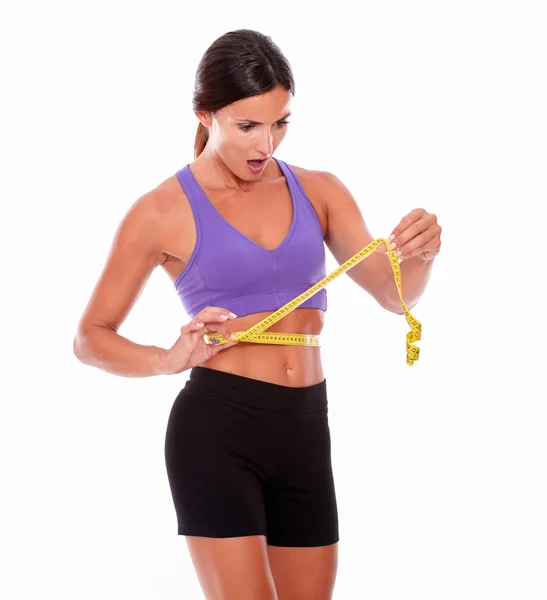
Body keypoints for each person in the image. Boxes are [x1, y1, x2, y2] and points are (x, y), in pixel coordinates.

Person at [73, 28, 441, 600]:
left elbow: (397, 297)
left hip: (305, 429)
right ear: (205, 114)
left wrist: (421, 256)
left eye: (280, 122)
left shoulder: (320, 191)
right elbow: (90, 338)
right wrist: (166, 360)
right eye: (247, 125)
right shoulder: (160, 211)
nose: (266, 143)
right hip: (218, 430)